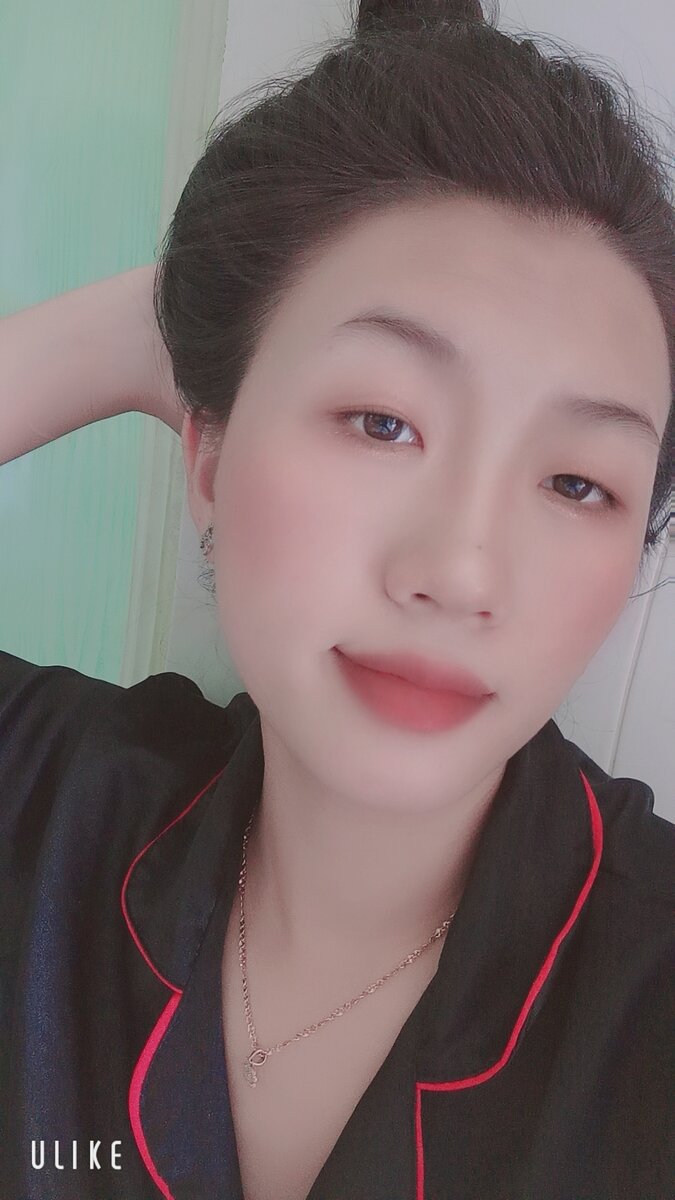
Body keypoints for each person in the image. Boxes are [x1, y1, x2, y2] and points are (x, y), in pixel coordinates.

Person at [1, 0, 673, 1197]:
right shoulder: (50, 809)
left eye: (579, 483)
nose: (462, 572)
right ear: (208, 456)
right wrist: (135, 330)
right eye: (380, 420)